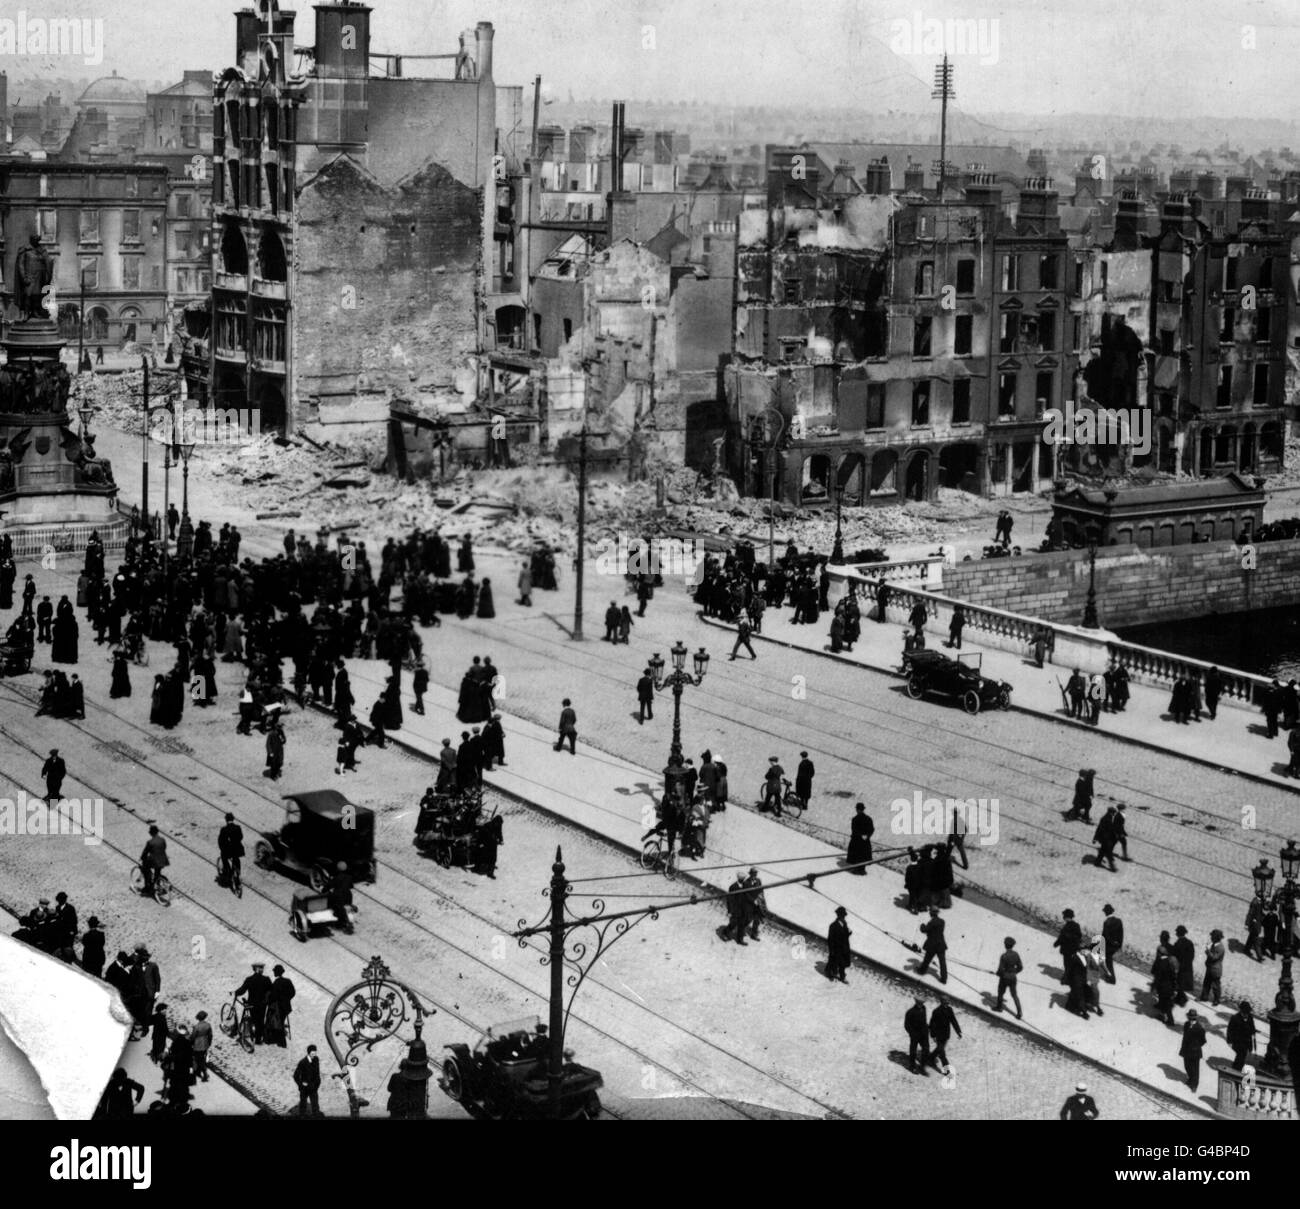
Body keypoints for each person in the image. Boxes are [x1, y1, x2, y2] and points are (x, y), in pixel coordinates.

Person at [234, 962, 272, 1044]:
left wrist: (235, 992)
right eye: (261, 968)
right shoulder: (266, 979)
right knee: (261, 1020)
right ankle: (258, 1039)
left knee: (253, 1019)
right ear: (257, 969)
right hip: (262, 1004)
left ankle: (250, 1033)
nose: (262, 970)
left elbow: (242, 990)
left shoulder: (249, 979)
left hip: (252, 1003)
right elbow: (271, 991)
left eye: (262, 968)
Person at [928, 994, 962, 1073]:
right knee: (942, 1054)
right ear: (941, 1002)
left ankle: (930, 1058)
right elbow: (932, 1024)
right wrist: (933, 1035)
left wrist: (958, 1031)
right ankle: (947, 1071)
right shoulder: (936, 1011)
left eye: (948, 1002)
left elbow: (953, 1021)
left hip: (946, 1035)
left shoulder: (950, 1010)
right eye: (945, 1002)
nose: (947, 1003)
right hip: (938, 1035)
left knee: (939, 1050)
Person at [267, 965, 296, 1048]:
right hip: (286, 1007)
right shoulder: (288, 981)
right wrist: (287, 999)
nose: (274, 973)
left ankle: (281, 1042)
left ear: (277, 972)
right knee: (281, 1022)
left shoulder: (276, 982)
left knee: (278, 1023)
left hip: (278, 1007)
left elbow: (273, 995)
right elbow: (293, 992)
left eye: (274, 971)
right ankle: (279, 1041)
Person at [995, 936, 1024, 1018]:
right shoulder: (1016, 954)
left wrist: (998, 974)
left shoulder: (1004, 956)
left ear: (1005, 945)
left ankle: (999, 1007)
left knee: (1000, 992)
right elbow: (1020, 967)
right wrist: (1014, 972)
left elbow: (1000, 969)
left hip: (1004, 978)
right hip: (1013, 978)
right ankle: (1019, 1012)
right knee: (1014, 995)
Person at [917, 906, 947, 983]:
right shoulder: (942, 921)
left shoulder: (932, 922)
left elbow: (924, 930)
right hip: (941, 944)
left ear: (932, 913)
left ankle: (921, 971)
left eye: (930, 912)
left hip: (932, 944)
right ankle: (944, 978)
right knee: (942, 962)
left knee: (927, 959)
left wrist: (922, 925)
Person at [1180, 1009, 1207, 1092]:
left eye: (1193, 1018)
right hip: (1186, 1050)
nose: (1191, 1020)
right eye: (1190, 1018)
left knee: (1195, 1069)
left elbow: (1203, 1040)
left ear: (1195, 1018)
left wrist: (1196, 1046)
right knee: (1187, 1066)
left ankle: (1194, 1085)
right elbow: (1184, 1037)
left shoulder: (1200, 1028)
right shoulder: (1186, 1025)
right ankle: (1190, 1079)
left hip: (1195, 1052)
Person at [1226, 1002, 1256, 1072]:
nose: (1246, 1014)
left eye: (1247, 1012)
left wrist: (1253, 1031)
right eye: (1245, 1012)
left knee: (1243, 1055)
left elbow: (1252, 1027)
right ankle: (1235, 1069)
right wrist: (1229, 1041)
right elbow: (1229, 1030)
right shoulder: (1235, 1018)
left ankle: (1237, 1067)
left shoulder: (1250, 1017)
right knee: (1241, 1055)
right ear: (1241, 1011)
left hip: (1247, 1041)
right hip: (1237, 1041)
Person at [140, 825, 168, 897]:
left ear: (151, 833)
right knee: (157, 873)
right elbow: (164, 847)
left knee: (145, 869)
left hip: (155, 861)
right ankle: (157, 883)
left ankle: (147, 887)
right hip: (163, 860)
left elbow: (145, 852)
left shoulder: (150, 842)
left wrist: (142, 858)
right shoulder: (162, 840)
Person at [295, 1045, 323, 1117]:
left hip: (313, 1087)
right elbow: (296, 1076)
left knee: (315, 1106)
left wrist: (317, 1083)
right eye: (312, 1053)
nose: (314, 1054)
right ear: (308, 1053)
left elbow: (317, 1073)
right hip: (305, 1089)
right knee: (303, 1106)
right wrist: (301, 1084)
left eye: (315, 1052)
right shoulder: (302, 1062)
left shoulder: (316, 1059)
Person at [904, 998, 930, 1073]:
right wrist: (912, 1034)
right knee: (913, 1051)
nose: (921, 1004)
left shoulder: (924, 1009)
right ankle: (912, 1067)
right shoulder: (910, 1012)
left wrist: (926, 1028)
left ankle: (922, 1067)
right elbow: (906, 1025)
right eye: (920, 1002)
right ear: (916, 1002)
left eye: (922, 1003)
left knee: (926, 1050)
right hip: (915, 1035)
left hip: (924, 1034)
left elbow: (924, 1020)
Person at [217, 812, 244, 888]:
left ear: (226, 820)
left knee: (224, 857)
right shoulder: (238, 827)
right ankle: (238, 873)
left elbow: (220, 841)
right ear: (233, 819)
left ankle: (227, 872)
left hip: (228, 851)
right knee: (236, 859)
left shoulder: (224, 829)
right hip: (238, 850)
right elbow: (241, 837)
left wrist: (222, 848)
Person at [1172, 925, 1196, 1006]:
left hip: (1180, 967)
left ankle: (1181, 999)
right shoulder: (1189, 943)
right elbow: (1192, 955)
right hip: (1188, 966)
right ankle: (1180, 997)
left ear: (1178, 933)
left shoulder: (1178, 943)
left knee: (1180, 983)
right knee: (1182, 983)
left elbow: (1174, 955)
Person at [826, 906, 851, 982]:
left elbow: (844, 935)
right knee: (834, 961)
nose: (843, 917)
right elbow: (830, 939)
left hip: (844, 947)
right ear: (838, 915)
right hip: (836, 948)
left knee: (842, 963)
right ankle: (831, 974)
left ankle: (842, 976)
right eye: (842, 915)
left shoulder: (844, 924)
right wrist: (832, 950)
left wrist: (848, 933)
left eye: (844, 916)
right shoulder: (833, 925)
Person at [847, 803, 873, 874]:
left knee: (856, 855)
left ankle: (857, 869)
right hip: (865, 841)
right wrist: (867, 836)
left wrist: (860, 835)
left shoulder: (855, 819)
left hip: (856, 841)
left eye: (857, 809)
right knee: (863, 855)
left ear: (857, 810)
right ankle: (862, 870)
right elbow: (871, 829)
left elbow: (854, 830)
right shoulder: (868, 819)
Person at [1202, 929, 1225, 1006]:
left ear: (1216, 937)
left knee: (1215, 986)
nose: (1211, 937)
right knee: (1206, 983)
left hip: (1215, 969)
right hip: (1210, 968)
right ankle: (1204, 997)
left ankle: (1217, 999)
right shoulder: (1213, 944)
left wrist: (1208, 951)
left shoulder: (1220, 948)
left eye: (1212, 936)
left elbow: (1214, 957)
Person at [1101, 904, 1123, 982]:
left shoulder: (1106, 922)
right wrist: (1119, 945)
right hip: (1116, 945)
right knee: (1109, 962)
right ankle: (1109, 976)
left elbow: (1105, 936)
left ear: (1106, 913)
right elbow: (1121, 934)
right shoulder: (1119, 921)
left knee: (1108, 962)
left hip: (1108, 946)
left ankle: (1111, 979)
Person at [330, 862, 354, 934]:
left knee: (335, 907)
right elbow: (351, 886)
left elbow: (329, 885)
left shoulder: (336, 878)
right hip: (348, 896)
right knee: (347, 906)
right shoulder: (349, 877)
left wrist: (324, 889)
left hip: (339, 896)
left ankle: (338, 922)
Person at [743, 868, 766, 941]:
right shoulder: (746, 883)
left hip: (757, 904)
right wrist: (753, 901)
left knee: (757, 920)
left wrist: (761, 899)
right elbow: (746, 894)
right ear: (750, 874)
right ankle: (741, 929)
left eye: (756, 874)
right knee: (748, 919)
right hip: (750, 904)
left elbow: (761, 890)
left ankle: (754, 935)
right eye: (753, 874)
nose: (755, 875)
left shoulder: (758, 880)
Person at [1093, 807, 1119, 872]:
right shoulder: (1106, 819)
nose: (1114, 814)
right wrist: (1095, 838)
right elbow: (1099, 829)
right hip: (1105, 839)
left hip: (1105, 838)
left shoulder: (1108, 818)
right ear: (1111, 812)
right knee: (1108, 852)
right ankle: (1113, 867)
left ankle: (1097, 862)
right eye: (1114, 813)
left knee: (1102, 851)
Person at [191, 1011, 213, 1082]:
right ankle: (198, 1071)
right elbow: (210, 1035)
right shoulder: (208, 1025)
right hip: (205, 1043)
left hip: (197, 1045)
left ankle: (204, 1073)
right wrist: (209, 1043)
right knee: (202, 1058)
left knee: (199, 1059)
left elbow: (193, 1036)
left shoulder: (196, 1026)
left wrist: (191, 1043)